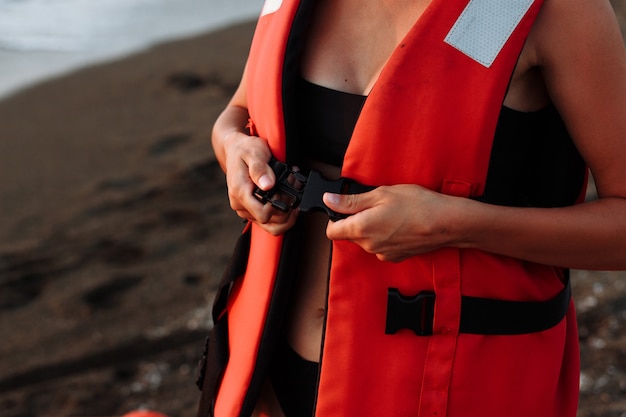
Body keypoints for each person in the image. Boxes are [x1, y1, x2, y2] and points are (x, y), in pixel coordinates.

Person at [199, 0, 626, 416]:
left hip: (450, 384)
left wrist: (461, 225)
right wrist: (234, 148)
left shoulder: (548, 9)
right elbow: (238, 112)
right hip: (266, 370)